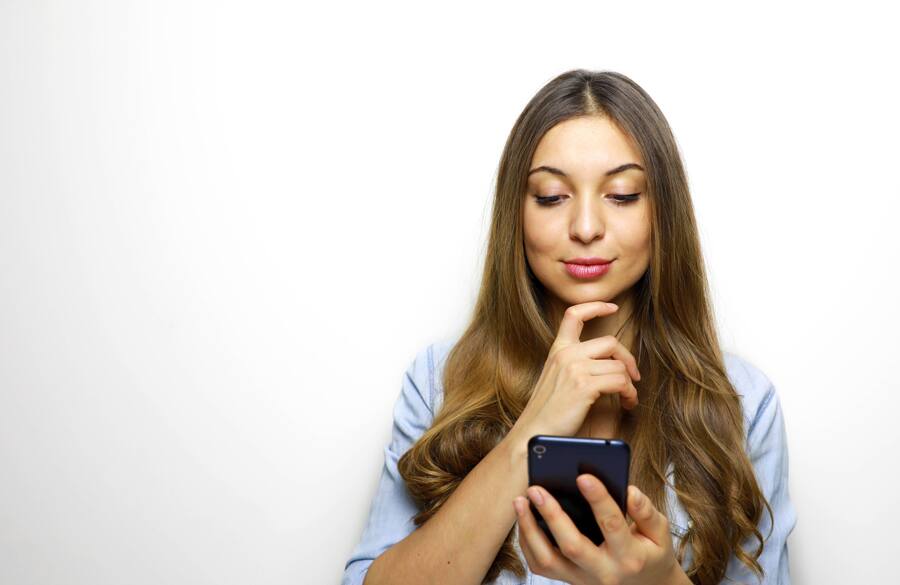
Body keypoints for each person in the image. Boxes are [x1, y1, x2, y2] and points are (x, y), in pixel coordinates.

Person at [342, 69, 796, 585]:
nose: (585, 228)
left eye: (622, 195)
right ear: (517, 212)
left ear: (662, 214)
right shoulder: (438, 380)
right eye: (552, 196)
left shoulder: (741, 404)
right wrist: (532, 430)